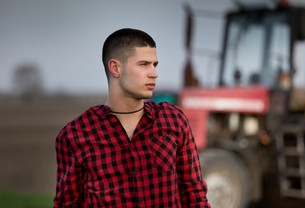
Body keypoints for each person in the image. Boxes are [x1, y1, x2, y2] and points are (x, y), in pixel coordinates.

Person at [54, 28, 210, 207]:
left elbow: (194, 194)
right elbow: (67, 204)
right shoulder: (75, 135)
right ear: (115, 68)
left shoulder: (173, 120)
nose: (154, 73)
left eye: (155, 64)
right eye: (143, 64)